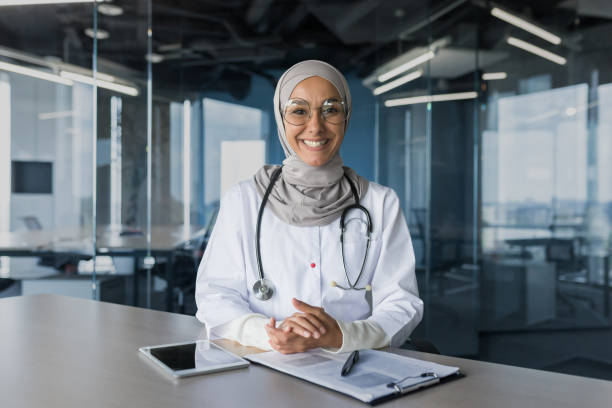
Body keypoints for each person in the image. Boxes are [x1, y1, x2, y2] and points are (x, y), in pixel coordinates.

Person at [195, 60, 423, 354]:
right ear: (281, 117)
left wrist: (342, 336)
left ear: (346, 116)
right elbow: (216, 294)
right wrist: (270, 335)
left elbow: (402, 302)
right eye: (299, 111)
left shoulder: (380, 203)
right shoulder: (243, 200)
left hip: (351, 367)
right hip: (263, 363)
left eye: (331, 109)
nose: (315, 126)